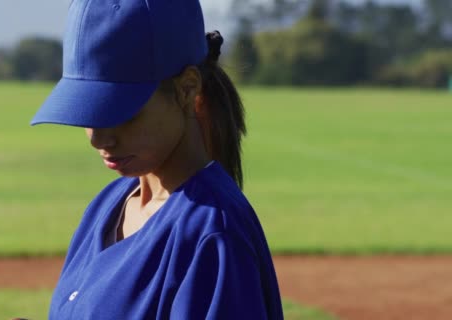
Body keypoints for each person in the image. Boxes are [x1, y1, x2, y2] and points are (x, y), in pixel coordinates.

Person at [30, 0, 283, 319]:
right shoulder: (107, 205)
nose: (99, 138)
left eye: (120, 113)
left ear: (187, 89)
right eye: (88, 114)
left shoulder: (212, 233)